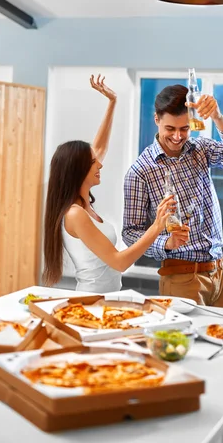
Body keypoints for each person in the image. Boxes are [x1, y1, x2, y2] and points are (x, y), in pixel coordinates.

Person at [43, 75, 175, 293]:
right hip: (90, 301)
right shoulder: (75, 214)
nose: (100, 165)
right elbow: (120, 262)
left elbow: (100, 148)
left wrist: (113, 102)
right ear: (78, 170)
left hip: (107, 299)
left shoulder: (83, 206)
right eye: (94, 163)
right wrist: (156, 227)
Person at [122, 83, 223, 307]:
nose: (178, 136)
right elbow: (130, 233)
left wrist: (218, 117)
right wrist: (167, 243)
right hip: (180, 277)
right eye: (170, 128)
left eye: (184, 128)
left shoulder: (200, 149)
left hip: (220, 272)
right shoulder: (140, 171)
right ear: (156, 120)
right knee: (187, 343)